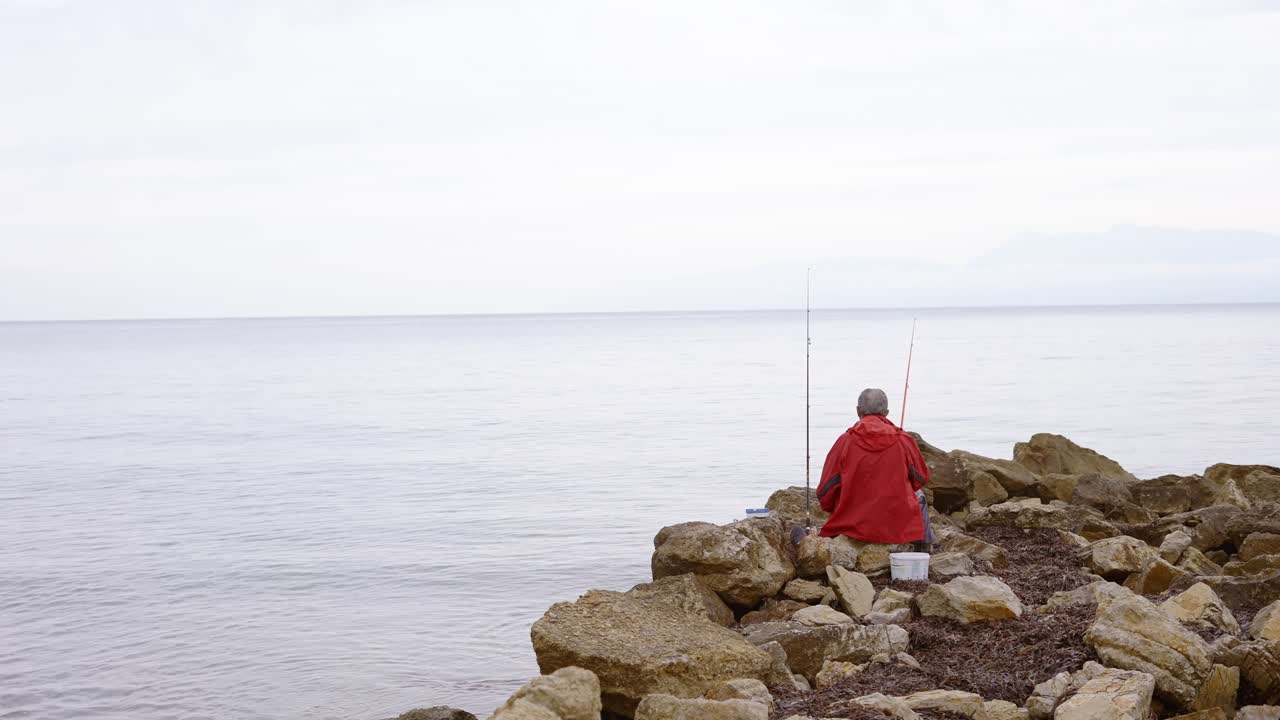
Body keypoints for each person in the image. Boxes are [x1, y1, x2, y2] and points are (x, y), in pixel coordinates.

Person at [816, 388, 931, 544]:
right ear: (886, 412)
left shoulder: (844, 442)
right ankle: (923, 547)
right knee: (920, 496)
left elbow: (825, 492)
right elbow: (921, 478)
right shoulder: (903, 439)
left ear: (858, 411)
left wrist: (838, 507)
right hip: (898, 529)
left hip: (851, 526)